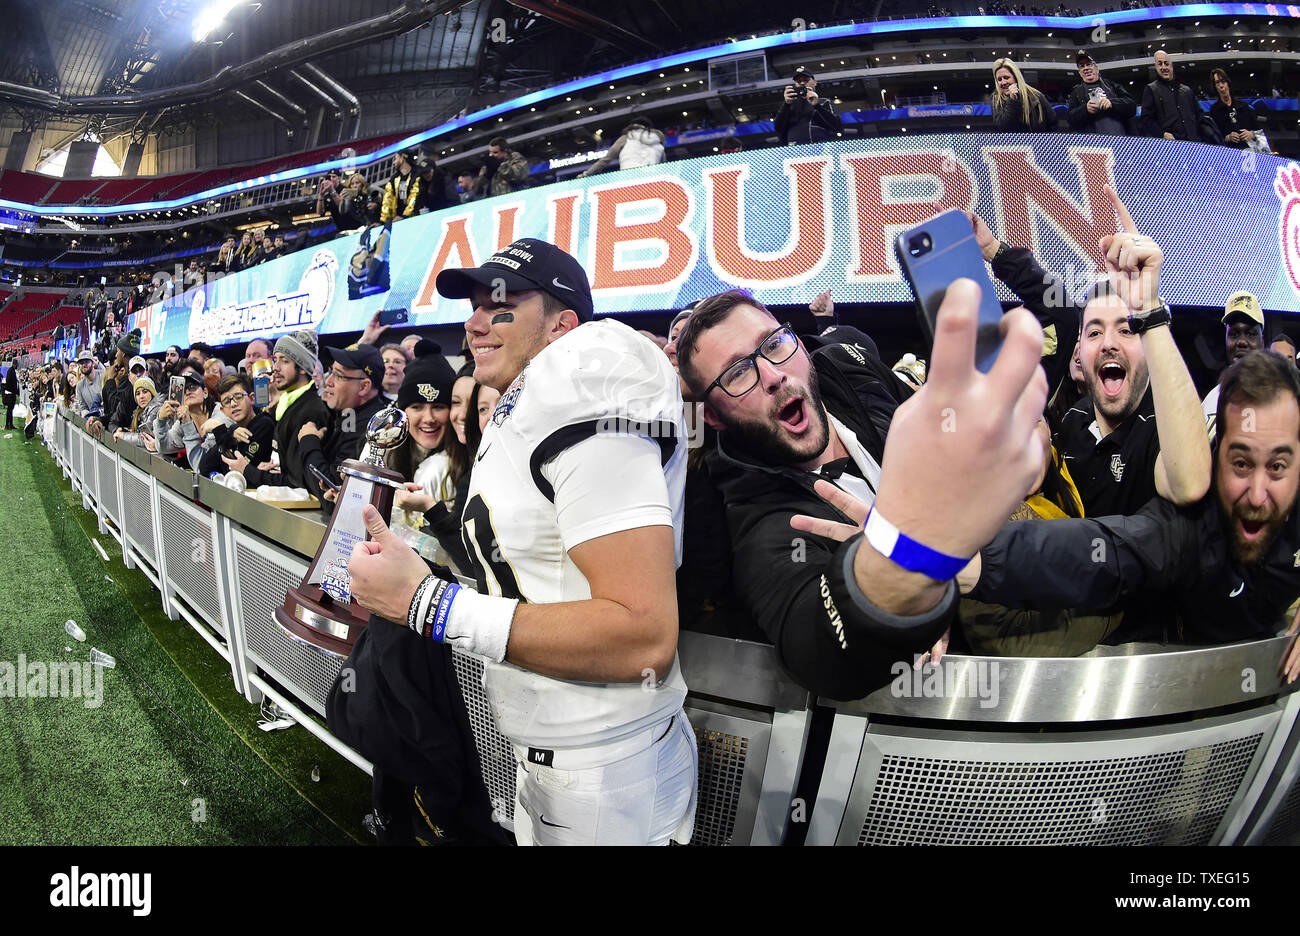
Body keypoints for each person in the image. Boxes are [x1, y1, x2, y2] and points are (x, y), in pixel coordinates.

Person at [348, 238, 697, 846]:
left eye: (502, 307)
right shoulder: (522, 404)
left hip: (606, 768)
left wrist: (426, 603)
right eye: (475, 307)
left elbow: (643, 637)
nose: (476, 322)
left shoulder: (585, 372)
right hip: (559, 754)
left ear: (565, 325)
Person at [674, 279, 1050, 698]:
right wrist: (901, 599)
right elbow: (820, 654)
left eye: (774, 344)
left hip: (1040, 579)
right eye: (738, 372)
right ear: (715, 418)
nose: (774, 376)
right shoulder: (759, 522)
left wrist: (1025, 431)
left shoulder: (847, 367)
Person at [964, 349, 1300, 650]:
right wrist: (965, 560)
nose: (1257, 495)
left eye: (1278, 466)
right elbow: (1101, 551)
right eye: (1240, 464)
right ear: (1216, 457)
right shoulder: (1185, 531)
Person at [1055, 187, 1211, 517]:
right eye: (1094, 331)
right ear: (1079, 353)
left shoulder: (1159, 432)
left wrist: (1147, 308)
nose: (1109, 343)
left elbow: (1190, 484)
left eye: (1127, 330)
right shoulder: (1071, 423)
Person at [228, 330, 330, 491]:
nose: (275, 368)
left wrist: (248, 471)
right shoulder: (287, 405)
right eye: (275, 360)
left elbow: (297, 483)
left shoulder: (310, 411)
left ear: (303, 368)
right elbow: (285, 470)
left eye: (284, 361)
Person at [296, 343, 389, 501]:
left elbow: (329, 494)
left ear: (364, 387)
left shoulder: (371, 429)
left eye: (338, 376)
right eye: (331, 371)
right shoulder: (348, 414)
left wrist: (308, 441)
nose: (329, 381)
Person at [197, 373, 274, 477]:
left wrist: (220, 431)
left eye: (238, 397)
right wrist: (228, 436)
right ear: (223, 410)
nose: (233, 404)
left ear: (252, 398)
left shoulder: (264, 424)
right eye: (227, 401)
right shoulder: (233, 431)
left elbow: (236, 474)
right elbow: (204, 468)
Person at [1141, 51, 1203, 142]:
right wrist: (1162, 134)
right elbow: (1146, 119)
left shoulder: (1187, 90)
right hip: (1170, 146)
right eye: (1160, 64)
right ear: (1156, 67)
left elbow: (1199, 115)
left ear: (1171, 66)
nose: (1163, 67)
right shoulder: (1151, 90)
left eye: (1166, 64)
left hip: (1194, 144)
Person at [774, 66, 842, 145]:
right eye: (799, 81)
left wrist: (817, 106)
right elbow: (778, 128)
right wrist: (786, 104)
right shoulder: (789, 105)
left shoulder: (824, 102)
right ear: (795, 84)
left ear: (815, 82)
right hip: (795, 151)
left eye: (806, 80)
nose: (802, 83)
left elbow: (837, 127)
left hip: (821, 148)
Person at [578, 121, 667, 177]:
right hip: (652, 178)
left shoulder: (626, 137)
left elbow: (606, 160)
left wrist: (586, 174)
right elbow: (664, 167)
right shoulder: (657, 141)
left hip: (628, 178)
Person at [990, 59, 1054, 132]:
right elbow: (1004, 128)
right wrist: (1012, 100)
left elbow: (1053, 122)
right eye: (999, 79)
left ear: (1016, 78)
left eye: (1006, 77)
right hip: (1011, 143)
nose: (1003, 82)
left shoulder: (1036, 96)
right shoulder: (996, 100)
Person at [1209, 69, 1260, 150]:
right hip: (1228, 154)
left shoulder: (1244, 105)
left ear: (1228, 83)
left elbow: (1259, 130)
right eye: (1217, 82)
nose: (1221, 86)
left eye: (1223, 82)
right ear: (1215, 87)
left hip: (1249, 152)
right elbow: (1214, 137)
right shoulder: (1214, 110)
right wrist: (1227, 138)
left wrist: (1251, 134)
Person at [112, 375, 162, 451]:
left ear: (152, 393)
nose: (141, 396)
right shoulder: (139, 411)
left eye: (145, 392)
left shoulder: (156, 409)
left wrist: (122, 435)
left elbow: (144, 438)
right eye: (138, 394)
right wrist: (126, 431)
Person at [380, 149, 421, 223]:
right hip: (398, 221)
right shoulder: (394, 179)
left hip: (415, 218)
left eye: (395, 159)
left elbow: (414, 197)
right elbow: (387, 200)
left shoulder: (417, 174)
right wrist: (383, 221)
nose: (393, 162)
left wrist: (405, 216)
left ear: (402, 159)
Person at [3, 359, 17, 430]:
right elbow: (9, 381)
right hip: (10, 393)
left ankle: (10, 424)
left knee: (10, 409)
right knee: (9, 410)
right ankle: (7, 425)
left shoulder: (11, 371)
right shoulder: (11, 371)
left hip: (11, 393)